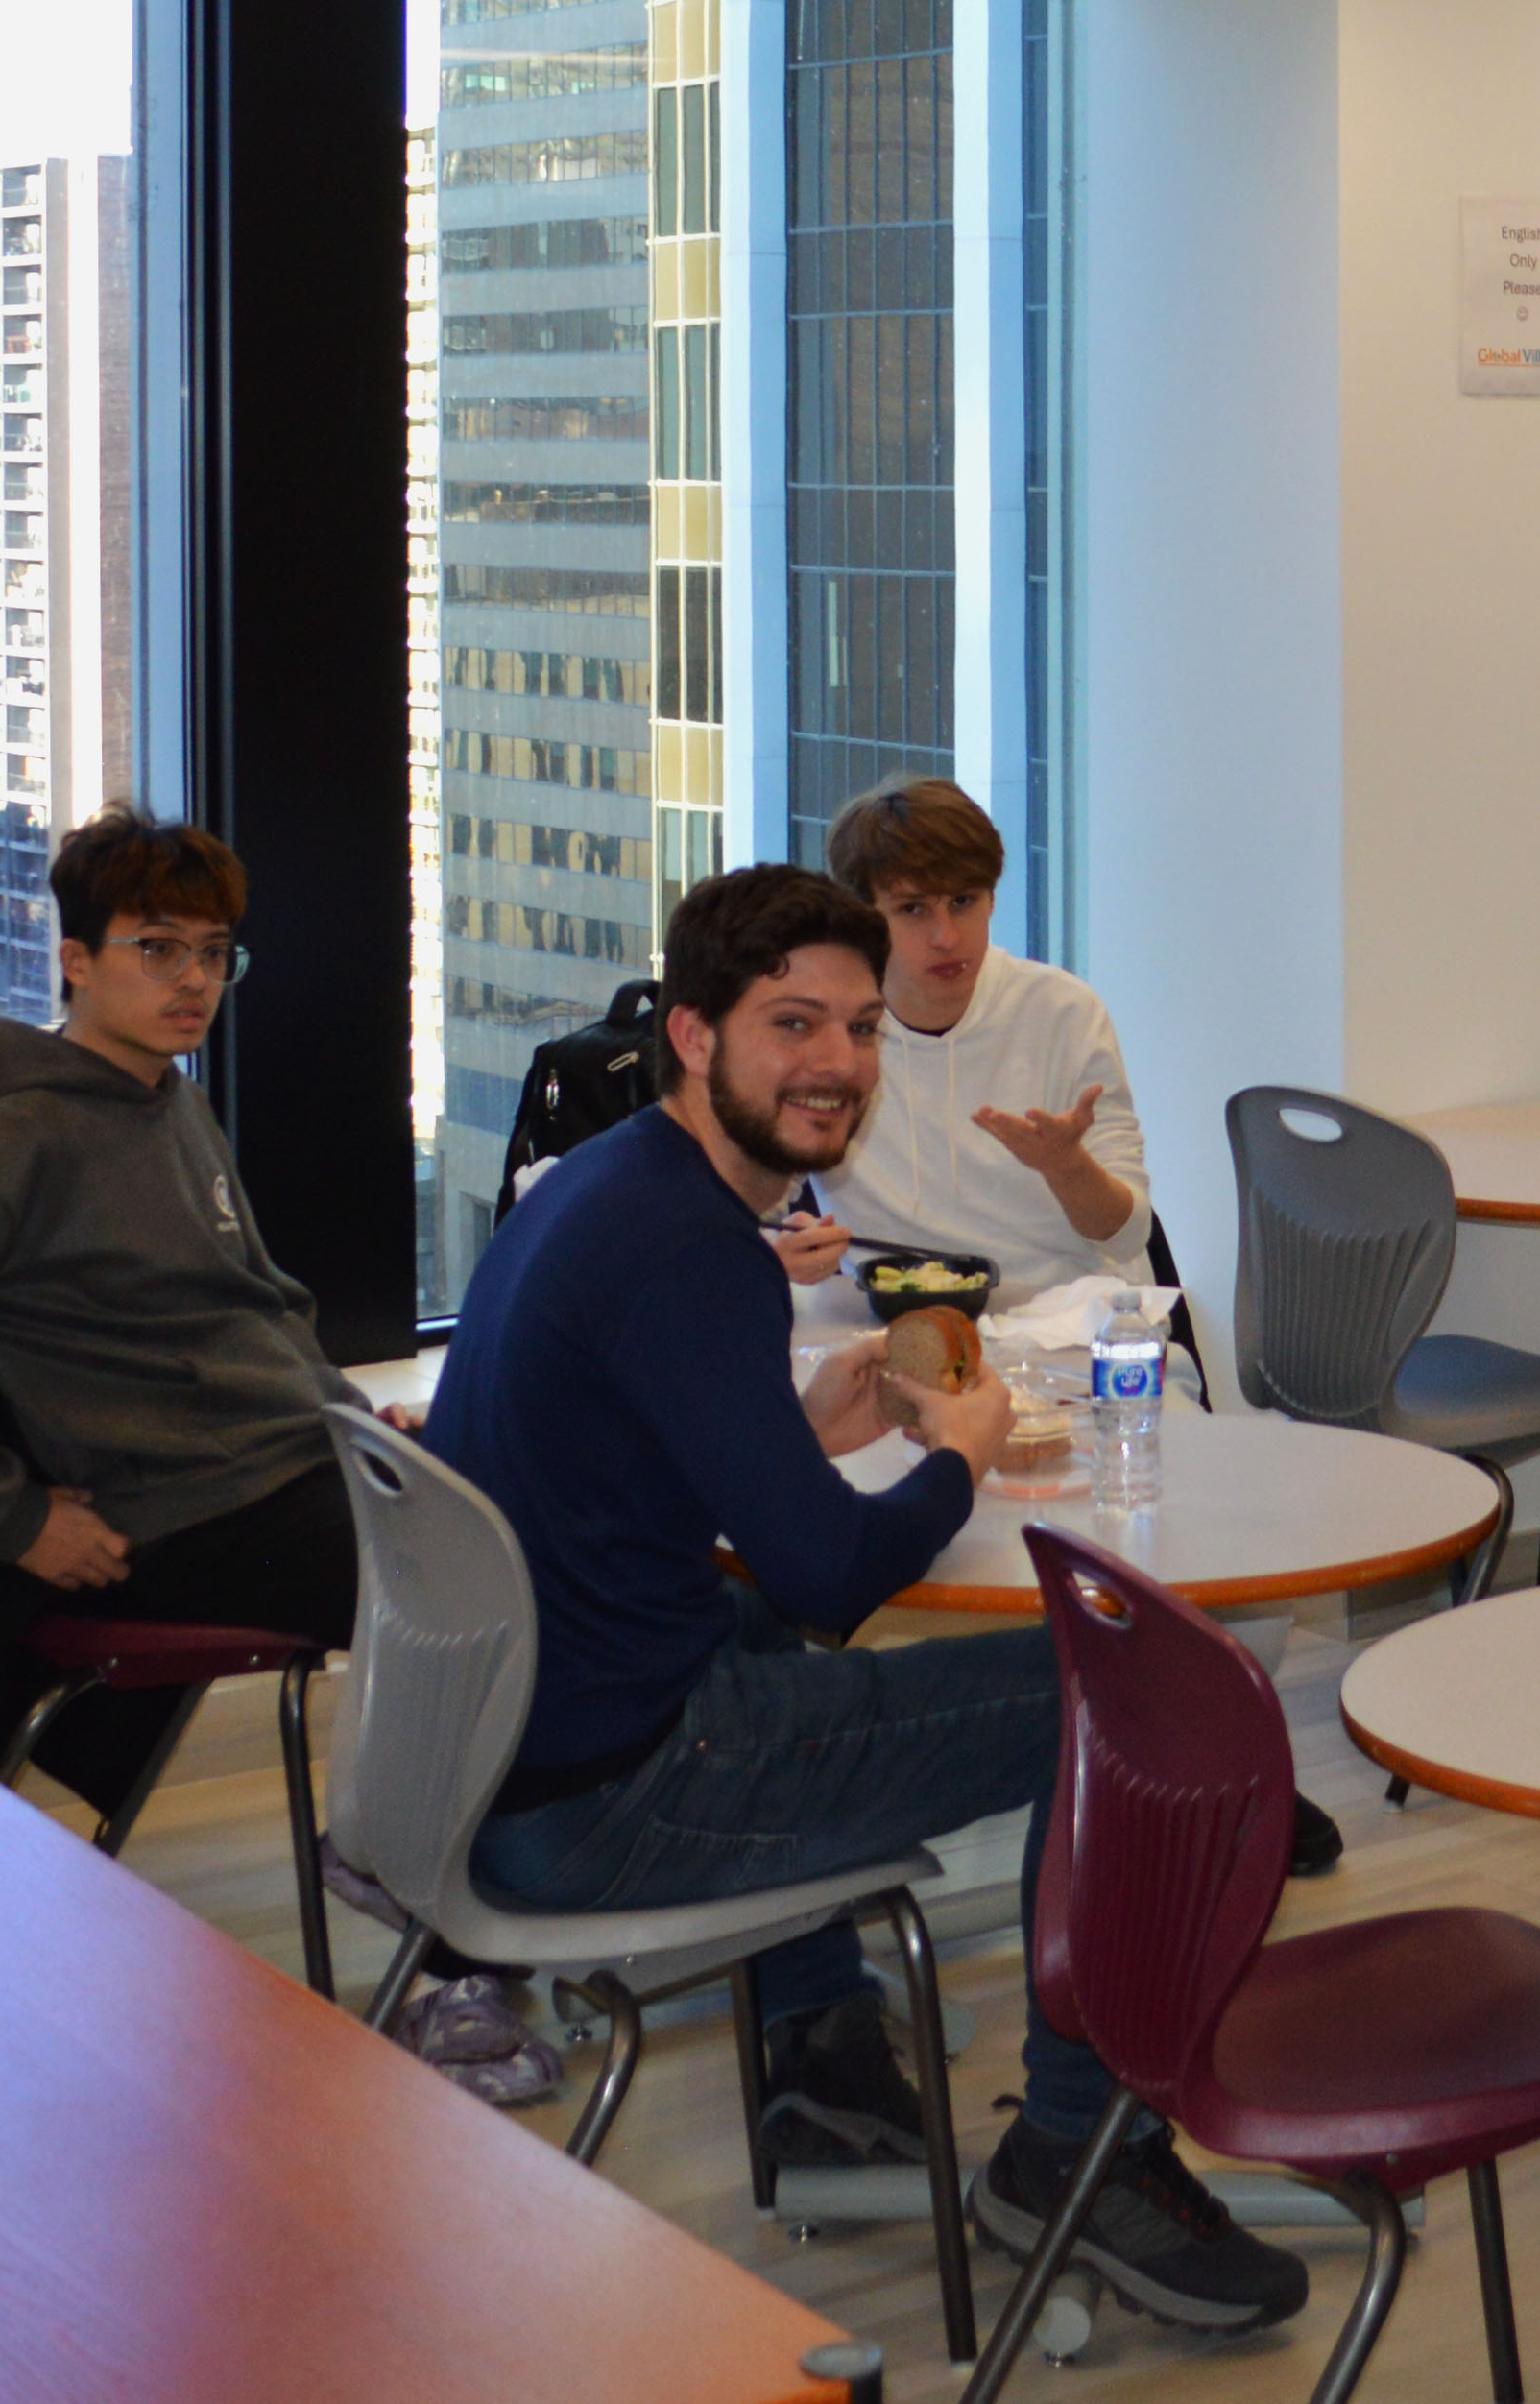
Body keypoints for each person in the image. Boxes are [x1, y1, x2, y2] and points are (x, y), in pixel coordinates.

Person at [431, 863, 1311, 2339]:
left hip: (515, 1752)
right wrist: (955, 1457)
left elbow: (637, 1476)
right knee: (1154, 1694)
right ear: (696, 1034)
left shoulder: (607, 1187)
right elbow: (833, 1576)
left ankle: (823, 2048)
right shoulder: (693, 1254)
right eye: (793, 1024)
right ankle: (1082, 2155)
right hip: (615, 1796)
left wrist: (809, 1441)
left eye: (858, 1026)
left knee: (781, 1625)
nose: (838, 1062)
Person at [0, 811, 366, 1893]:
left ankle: (429, 1855)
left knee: (520, 1534)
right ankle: (438, 1890)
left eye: (212, 953)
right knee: (480, 1593)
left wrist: (345, 1417)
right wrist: (11, 1518)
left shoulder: (169, 1098)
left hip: (275, 1464)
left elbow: (253, 1309)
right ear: (75, 962)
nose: (192, 980)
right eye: (156, 948)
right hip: (181, 1503)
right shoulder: (18, 1134)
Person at [813, 774, 1150, 1316]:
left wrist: (1065, 1167)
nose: (947, 935)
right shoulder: (828, 1027)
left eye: (963, 901)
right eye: (914, 909)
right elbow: (760, 1205)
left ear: (992, 899)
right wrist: (787, 1249)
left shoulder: (1063, 1011)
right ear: (863, 917)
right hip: (884, 1320)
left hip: (1056, 1319)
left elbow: (1128, 1235)